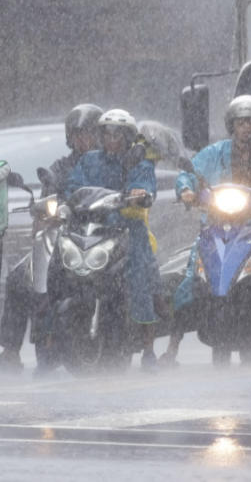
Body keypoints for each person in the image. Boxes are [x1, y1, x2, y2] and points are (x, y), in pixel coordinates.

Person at [166, 94, 251, 366]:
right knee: (191, 277)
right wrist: (185, 190)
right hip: (216, 224)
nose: (247, 128)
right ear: (232, 125)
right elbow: (190, 174)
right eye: (241, 123)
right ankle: (172, 346)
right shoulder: (214, 153)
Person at [0, 103, 103, 375]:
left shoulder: (108, 166)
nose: (82, 139)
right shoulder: (59, 169)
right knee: (21, 277)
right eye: (76, 134)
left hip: (98, 239)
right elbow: (46, 203)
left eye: (88, 133)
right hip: (62, 240)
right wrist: (46, 215)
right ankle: (11, 350)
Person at [64, 108, 160, 371]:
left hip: (128, 231)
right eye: (107, 133)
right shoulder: (89, 160)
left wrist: (140, 193)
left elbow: (146, 188)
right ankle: (50, 337)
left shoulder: (139, 162)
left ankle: (148, 348)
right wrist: (69, 200)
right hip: (94, 230)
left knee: (140, 279)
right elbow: (73, 187)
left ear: (128, 136)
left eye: (118, 133)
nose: (112, 138)